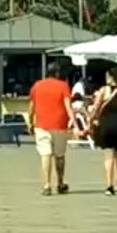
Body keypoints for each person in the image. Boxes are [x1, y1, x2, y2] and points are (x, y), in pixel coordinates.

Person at [29, 62, 72, 195]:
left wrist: (30, 123)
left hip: (42, 125)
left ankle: (47, 185)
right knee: (59, 155)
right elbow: (68, 105)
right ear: (57, 73)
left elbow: (31, 107)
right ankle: (60, 183)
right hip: (60, 124)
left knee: (45, 154)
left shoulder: (37, 85)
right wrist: (73, 121)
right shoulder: (63, 86)